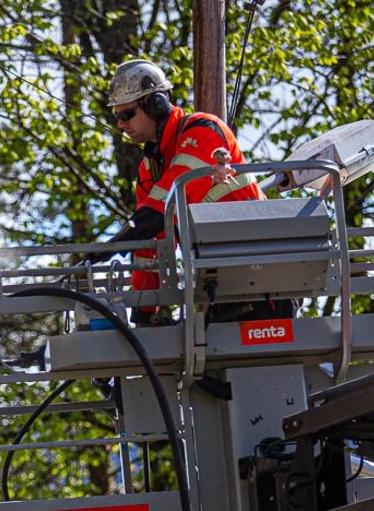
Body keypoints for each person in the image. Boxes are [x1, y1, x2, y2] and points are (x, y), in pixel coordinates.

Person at [97, 59, 290, 325]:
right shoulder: (150, 169)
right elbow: (150, 245)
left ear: (156, 105)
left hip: (264, 282)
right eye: (117, 116)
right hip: (221, 287)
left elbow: (166, 206)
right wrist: (143, 313)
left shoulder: (203, 131)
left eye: (127, 114)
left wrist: (111, 245)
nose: (120, 124)